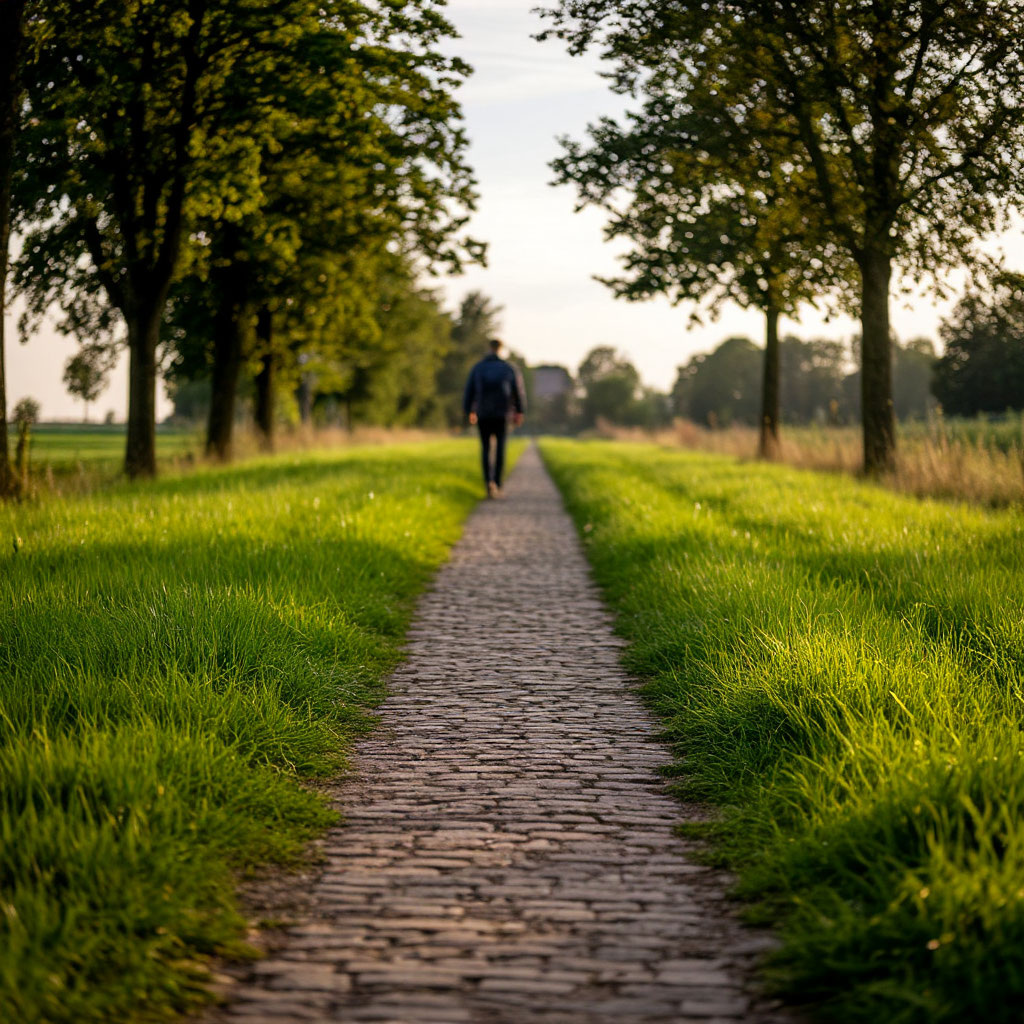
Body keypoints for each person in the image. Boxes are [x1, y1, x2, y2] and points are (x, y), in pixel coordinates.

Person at [463, 337, 525, 498]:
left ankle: (488, 483)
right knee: (500, 449)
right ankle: (497, 483)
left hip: (483, 413)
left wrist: (469, 411)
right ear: (501, 349)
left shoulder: (478, 368)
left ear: (489, 348)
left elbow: (469, 391)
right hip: (502, 414)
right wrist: (519, 411)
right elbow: (517, 391)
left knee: (485, 448)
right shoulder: (509, 368)